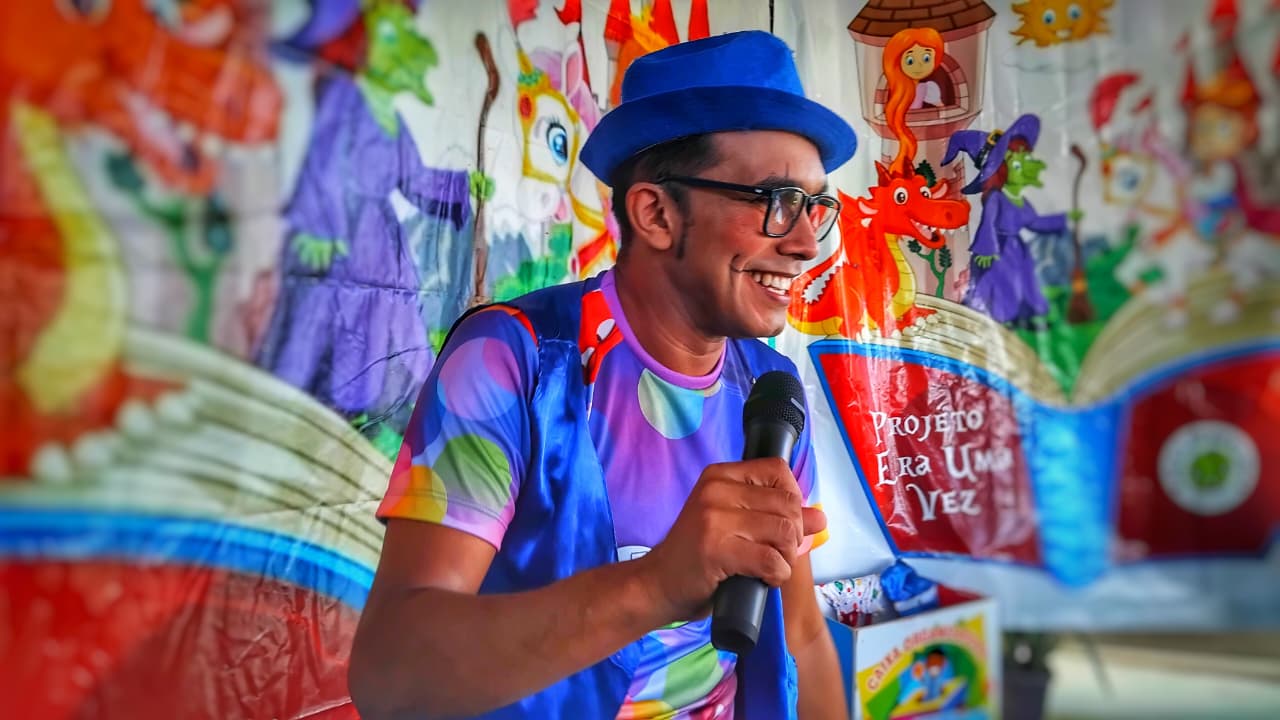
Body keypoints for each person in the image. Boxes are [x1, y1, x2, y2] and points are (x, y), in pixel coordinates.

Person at [348, 30, 857, 719]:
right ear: (656, 213)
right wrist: (656, 584)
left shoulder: (769, 389)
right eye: (775, 199)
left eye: (815, 207)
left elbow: (800, 634)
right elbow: (391, 674)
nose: (804, 244)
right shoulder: (514, 361)